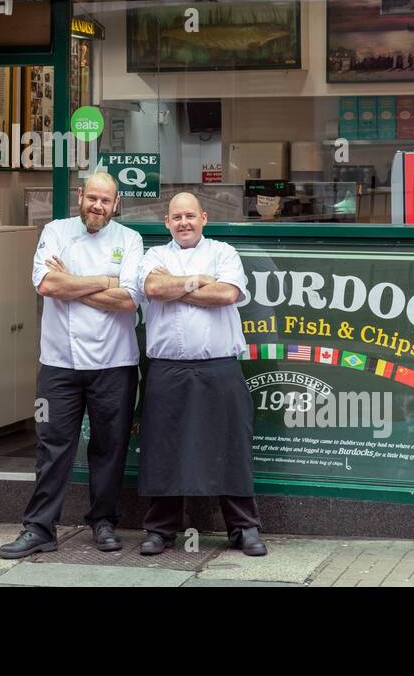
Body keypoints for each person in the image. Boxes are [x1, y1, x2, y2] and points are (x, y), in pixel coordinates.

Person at [0, 172, 144, 559]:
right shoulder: (56, 231)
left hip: (115, 361)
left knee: (109, 446)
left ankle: (104, 522)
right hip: (60, 362)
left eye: (105, 200)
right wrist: (101, 281)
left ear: (116, 204)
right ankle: (39, 528)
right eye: (91, 197)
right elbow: (47, 286)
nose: (97, 205)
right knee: (52, 446)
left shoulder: (130, 239)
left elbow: (129, 299)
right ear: (80, 196)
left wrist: (72, 283)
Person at [136, 192, 267, 557]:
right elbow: (152, 288)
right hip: (168, 370)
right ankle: (160, 530)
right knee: (164, 449)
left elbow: (227, 294)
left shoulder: (223, 252)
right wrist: (198, 281)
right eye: (176, 217)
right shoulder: (155, 256)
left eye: (190, 216)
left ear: (204, 217)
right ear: (167, 222)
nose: (184, 223)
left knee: (231, 446)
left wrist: (176, 288)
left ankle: (244, 528)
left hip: (219, 367)